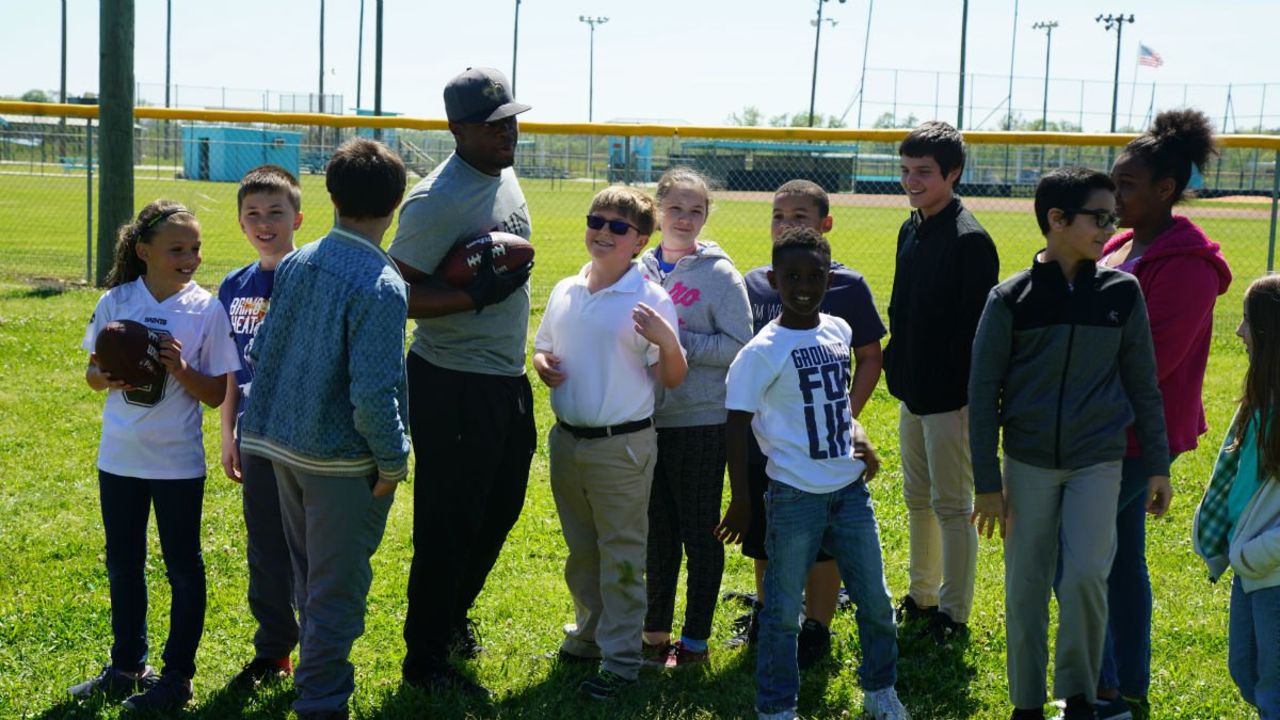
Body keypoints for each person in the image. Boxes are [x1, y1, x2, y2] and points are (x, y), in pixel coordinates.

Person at [968, 167, 1172, 720]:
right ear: (1056, 220)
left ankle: (1079, 697)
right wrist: (988, 484)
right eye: (1098, 217)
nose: (1110, 227)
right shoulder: (1010, 298)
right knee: (1027, 587)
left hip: (1098, 463)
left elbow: (1143, 383)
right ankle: (1027, 704)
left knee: (1086, 576)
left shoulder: (1121, 292)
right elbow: (983, 395)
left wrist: (1157, 465)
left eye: (1113, 216)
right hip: (1028, 464)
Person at [238, 138, 409, 720]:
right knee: (335, 586)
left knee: (310, 574)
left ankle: (314, 679)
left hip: (278, 445)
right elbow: (374, 391)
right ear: (398, 203)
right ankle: (322, 701)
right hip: (338, 460)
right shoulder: (381, 285)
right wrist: (393, 460)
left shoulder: (296, 260)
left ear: (330, 195)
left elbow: (262, 349)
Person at [716, 225, 906, 720]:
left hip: (848, 491)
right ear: (774, 280)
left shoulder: (838, 330)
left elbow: (834, 402)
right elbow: (735, 426)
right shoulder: (760, 353)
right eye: (792, 276)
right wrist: (741, 498)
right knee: (781, 613)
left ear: (830, 276)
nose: (804, 286)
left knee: (876, 602)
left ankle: (880, 690)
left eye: (815, 275)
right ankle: (777, 706)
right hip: (793, 496)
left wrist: (856, 433)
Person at [388, 67, 536, 698]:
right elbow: (392, 293)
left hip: (506, 375)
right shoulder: (435, 200)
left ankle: (450, 618)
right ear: (457, 130)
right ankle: (424, 658)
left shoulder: (502, 170)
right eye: (490, 125)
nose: (507, 133)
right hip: (451, 380)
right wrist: (470, 296)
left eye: (510, 119)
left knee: (500, 509)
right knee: (448, 522)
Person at [71, 201, 240, 712]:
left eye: (196, 248)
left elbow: (214, 395)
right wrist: (103, 377)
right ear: (144, 251)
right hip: (119, 458)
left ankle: (177, 676)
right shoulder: (117, 301)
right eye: (177, 249)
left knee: (183, 568)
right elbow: (92, 372)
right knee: (124, 565)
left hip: (176, 464)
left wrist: (181, 368)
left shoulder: (205, 309)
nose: (190, 258)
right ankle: (126, 667)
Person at [1092, 108, 1232, 720]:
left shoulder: (1189, 265)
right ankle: (1124, 686)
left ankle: (1101, 689)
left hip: (1136, 435)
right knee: (1119, 561)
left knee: (1081, 560)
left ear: (1165, 189)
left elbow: (1155, 361)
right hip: (1100, 427)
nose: (1113, 193)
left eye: (1125, 183)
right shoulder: (1122, 243)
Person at [532, 186, 687, 701]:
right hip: (568, 442)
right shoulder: (567, 289)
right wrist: (542, 366)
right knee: (582, 550)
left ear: (639, 241)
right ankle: (591, 634)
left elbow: (673, 377)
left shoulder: (648, 297)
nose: (602, 232)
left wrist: (667, 342)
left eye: (617, 227)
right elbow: (544, 347)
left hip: (621, 447)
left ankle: (621, 662)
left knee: (621, 553)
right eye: (595, 221)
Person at [727, 179, 886, 671]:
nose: (786, 223)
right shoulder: (755, 282)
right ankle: (774, 612)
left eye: (799, 216)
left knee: (822, 545)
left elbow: (866, 358)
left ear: (823, 223)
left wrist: (846, 421)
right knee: (766, 539)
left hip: (825, 444)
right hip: (770, 443)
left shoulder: (845, 288)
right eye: (778, 215)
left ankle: (816, 624)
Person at [885, 121, 998, 644]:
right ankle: (921, 594)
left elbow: (975, 336)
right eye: (906, 170)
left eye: (924, 172)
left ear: (953, 173)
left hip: (950, 401)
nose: (912, 180)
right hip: (914, 393)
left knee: (953, 506)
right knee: (917, 499)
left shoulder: (970, 240)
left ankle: (953, 614)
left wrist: (960, 399)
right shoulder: (913, 227)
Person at [637, 167, 753, 668]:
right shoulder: (639, 267)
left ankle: (697, 643)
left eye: (696, 210)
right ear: (658, 209)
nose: (685, 219)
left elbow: (739, 345)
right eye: (676, 208)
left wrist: (676, 342)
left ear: (706, 216)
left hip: (700, 421)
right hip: (646, 420)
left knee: (699, 532)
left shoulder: (720, 273)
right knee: (657, 535)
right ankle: (654, 636)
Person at [217, 164, 305, 688]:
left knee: (309, 551)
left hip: (302, 437)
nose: (264, 222)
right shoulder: (234, 284)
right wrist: (227, 434)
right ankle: (274, 650)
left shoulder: (310, 275)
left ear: (297, 217)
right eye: (253, 214)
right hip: (254, 435)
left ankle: (318, 650)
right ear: (241, 222)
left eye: (276, 212)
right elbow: (233, 368)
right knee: (266, 548)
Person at [1193, 274, 1280, 720]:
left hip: (1270, 565)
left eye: (1246, 322)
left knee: (1273, 688)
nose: (1238, 332)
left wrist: (1263, 551)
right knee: (1246, 671)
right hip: (1251, 561)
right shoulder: (1262, 398)